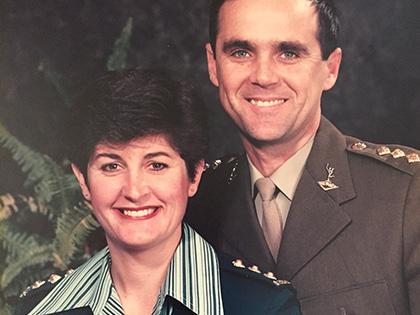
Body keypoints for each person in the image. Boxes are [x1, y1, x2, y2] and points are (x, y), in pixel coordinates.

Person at [185, 0, 420, 314]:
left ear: (330, 69)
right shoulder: (191, 201)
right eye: (241, 52)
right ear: (214, 65)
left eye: (289, 53)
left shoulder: (408, 196)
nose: (264, 76)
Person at [13, 68, 301, 315]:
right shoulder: (41, 308)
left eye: (157, 165)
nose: (135, 191)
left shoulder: (264, 307)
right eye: (112, 166)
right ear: (83, 181)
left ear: (194, 175)